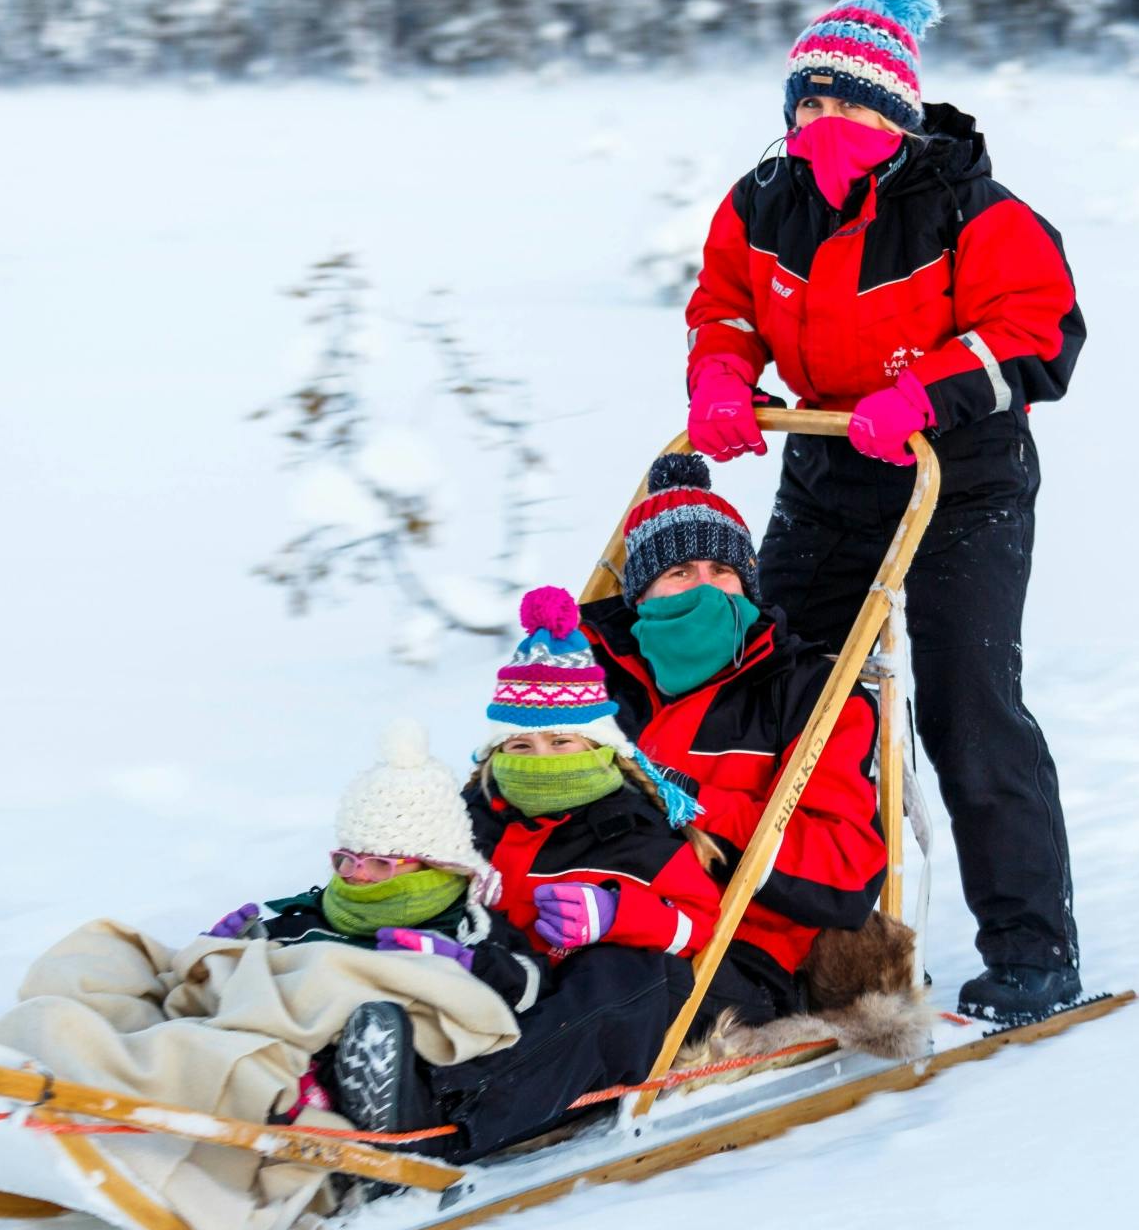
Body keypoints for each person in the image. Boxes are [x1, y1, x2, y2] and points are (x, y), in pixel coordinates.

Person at [681, 0, 1087, 1019]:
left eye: (848, 104)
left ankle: (1033, 951)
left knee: (966, 708)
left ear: (896, 117)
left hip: (959, 477)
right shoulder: (760, 201)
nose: (824, 120)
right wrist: (722, 383)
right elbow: (725, 305)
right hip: (829, 468)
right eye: (806, 99)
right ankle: (794, 949)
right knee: (782, 699)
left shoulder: (974, 208)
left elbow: (1039, 336)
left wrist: (924, 393)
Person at [328, 588, 743, 1163]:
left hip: (596, 999)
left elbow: (697, 925)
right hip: (501, 971)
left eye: (560, 741)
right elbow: (394, 869)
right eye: (521, 744)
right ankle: (345, 1071)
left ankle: (436, 1119)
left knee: (620, 975)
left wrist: (617, 913)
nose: (541, 759)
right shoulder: (474, 817)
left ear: (597, 745)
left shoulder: (636, 828)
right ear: (496, 752)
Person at [579, 454, 889, 1012]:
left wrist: (696, 808)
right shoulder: (591, 676)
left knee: (611, 986)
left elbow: (845, 871)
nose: (707, 590)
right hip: (585, 911)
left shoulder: (810, 696)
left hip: (738, 950)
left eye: (721, 572)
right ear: (640, 597)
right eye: (679, 573)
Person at [201, 718, 549, 1119]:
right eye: (347, 860)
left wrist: (468, 964)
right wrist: (225, 950)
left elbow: (530, 984)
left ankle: (349, 1092)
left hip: (397, 1058)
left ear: (434, 867)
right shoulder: (316, 916)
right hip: (287, 1044)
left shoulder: (467, 926)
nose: (358, 876)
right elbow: (272, 968)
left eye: (381, 864)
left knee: (380, 1012)